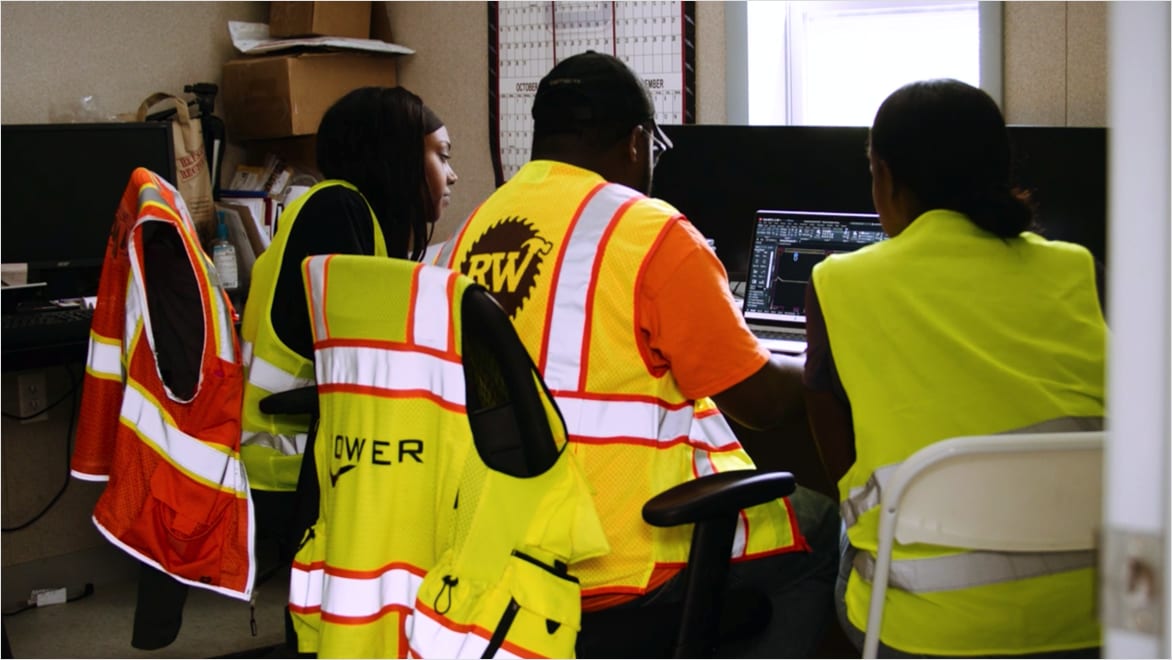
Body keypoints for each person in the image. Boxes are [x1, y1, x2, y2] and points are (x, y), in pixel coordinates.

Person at [433, 51, 839, 657]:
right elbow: (758, 401)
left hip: (489, 555)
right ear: (636, 142)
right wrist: (829, 357)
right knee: (824, 526)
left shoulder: (458, 239)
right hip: (615, 560)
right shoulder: (649, 233)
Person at [803, 78, 1106, 658]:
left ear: (885, 178)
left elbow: (835, 449)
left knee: (830, 530)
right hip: (1097, 613)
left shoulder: (838, 280)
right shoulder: (1077, 269)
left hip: (927, 630)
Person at [238, 86, 458, 554]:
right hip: (291, 467)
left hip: (315, 455)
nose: (452, 175)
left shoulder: (347, 214)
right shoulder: (336, 210)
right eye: (441, 155)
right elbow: (371, 364)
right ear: (397, 158)